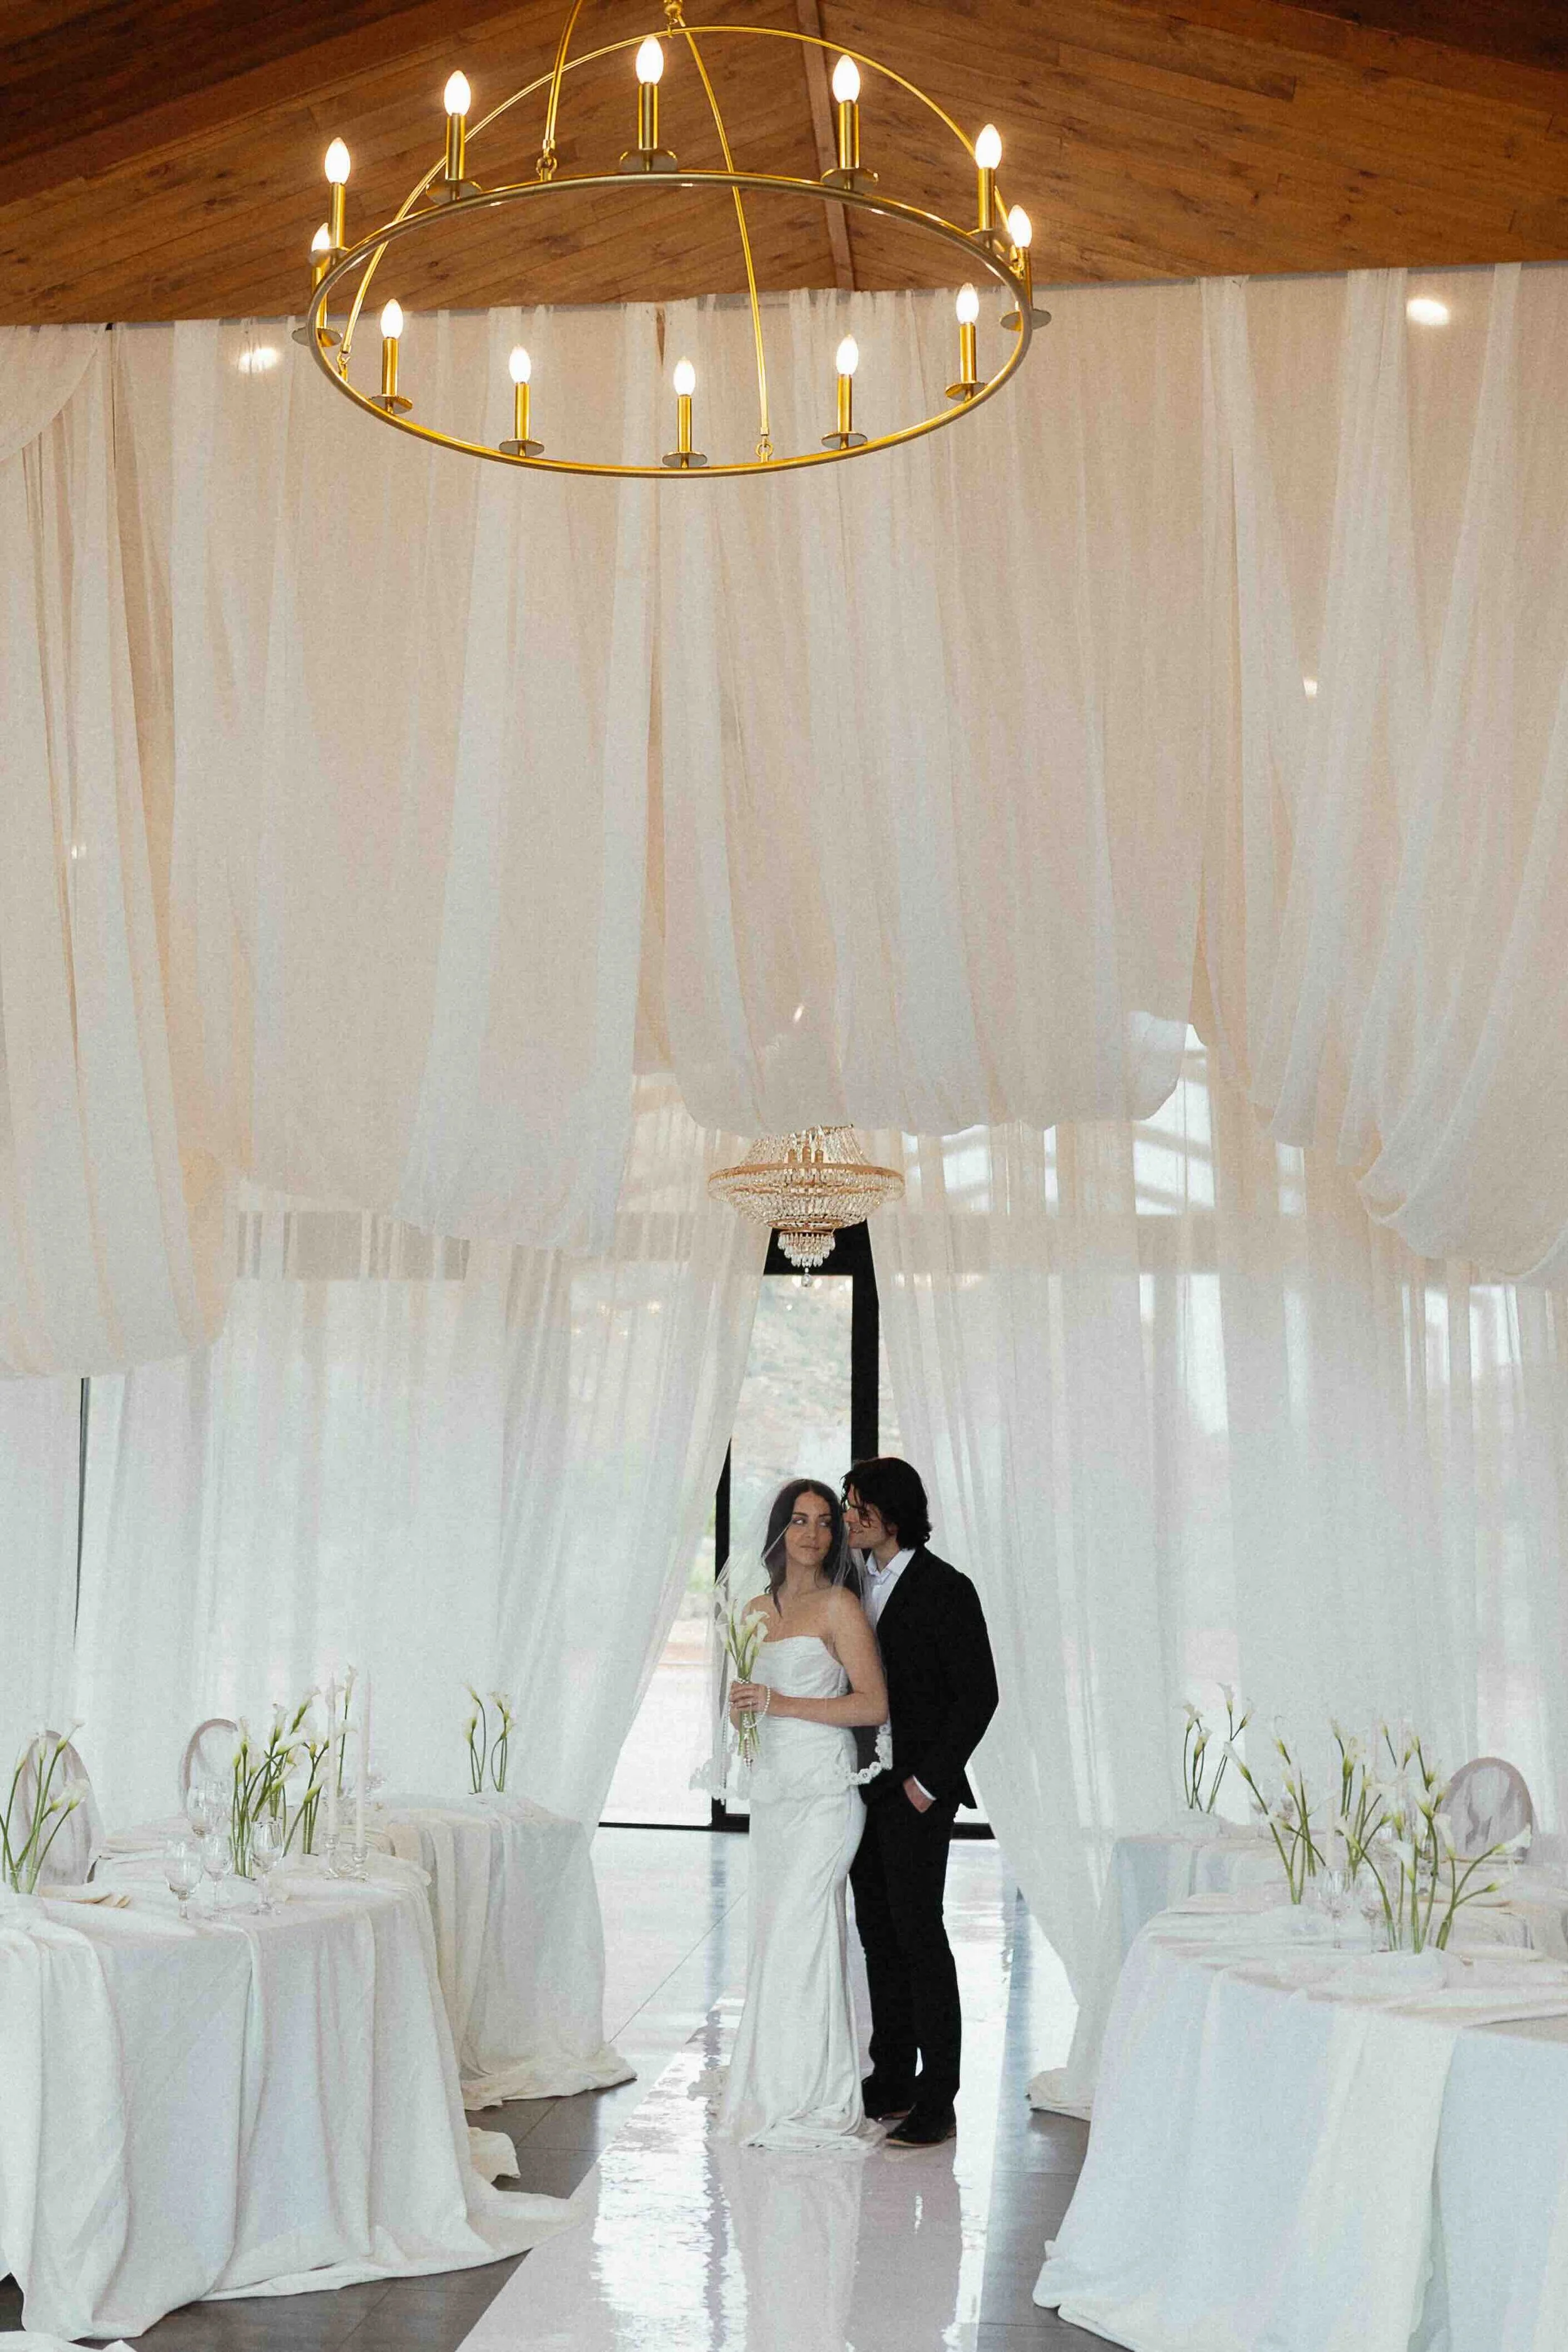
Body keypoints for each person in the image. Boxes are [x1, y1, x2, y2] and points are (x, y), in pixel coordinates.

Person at [719, 1478, 891, 2151]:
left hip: (825, 1794)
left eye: (824, 1521)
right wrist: (744, 1717)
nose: (813, 1533)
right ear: (780, 1530)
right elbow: (741, 1706)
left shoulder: (840, 1606)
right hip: (776, 1795)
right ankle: (774, 2083)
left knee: (801, 1928)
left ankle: (810, 2095)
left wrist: (778, 1703)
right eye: (799, 1520)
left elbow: (873, 1706)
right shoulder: (754, 1610)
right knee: (777, 1933)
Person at [842, 1458, 998, 2149]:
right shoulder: (849, 1584)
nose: (848, 1517)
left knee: (920, 1939)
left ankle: (940, 2096)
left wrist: (926, 1784)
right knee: (877, 1936)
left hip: (916, 1795)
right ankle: (892, 2077)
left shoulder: (946, 1588)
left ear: (891, 1515)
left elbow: (979, 1696)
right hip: (859, 1790)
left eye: (857, 1506)